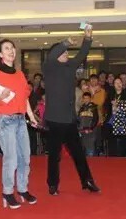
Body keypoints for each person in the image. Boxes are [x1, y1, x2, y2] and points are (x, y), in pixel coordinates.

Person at [42, 27, 100, 196]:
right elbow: (53, 54)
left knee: (79, 154)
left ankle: (87, 181)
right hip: (54, 120)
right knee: (54, 155)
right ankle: (53, 184)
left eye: (67, 51)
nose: (67, 53)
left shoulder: (70, 66)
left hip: (69, 119)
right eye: (64, 51)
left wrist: (87, 38)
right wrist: (66, 42)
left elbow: (82, 54)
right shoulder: (49, 66)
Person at [0, 39, 39, 209]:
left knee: (25, 158)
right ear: (0, 54)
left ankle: (22, 188)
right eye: (6, 48)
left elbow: (24, 97)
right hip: (6, 120)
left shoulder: (20, 74)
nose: (11, 51)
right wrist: (1, 96)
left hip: (21, 120)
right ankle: (7, 191)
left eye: (12, 48)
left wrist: (31, 116)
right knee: (11, 159)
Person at [77, 92, 98, 157]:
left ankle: (91, 158)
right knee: (83, 145)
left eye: (87, 98)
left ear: (90, 99)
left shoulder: (94, 107)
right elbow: (79, 119)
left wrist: (91, 128)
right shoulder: (81, 108)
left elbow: (95, 119)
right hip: (82, 129)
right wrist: (79, 128)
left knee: (90, 144)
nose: (86, 100)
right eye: (84, 98)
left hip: (90, 130)